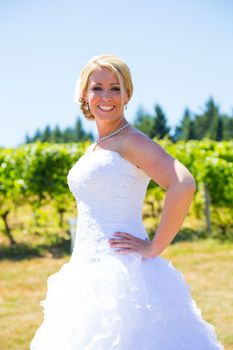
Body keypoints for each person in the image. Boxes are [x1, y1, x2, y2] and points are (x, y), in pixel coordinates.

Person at [30, 54, 224, 349]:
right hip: (85, 269)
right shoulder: (97, 146)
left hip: (123, 275)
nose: (106, 96)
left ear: (127, 94)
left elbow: (183, 183)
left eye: (115, 88)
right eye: (97, 88)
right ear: (84, 94)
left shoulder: (130, 141)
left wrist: (156, 245)